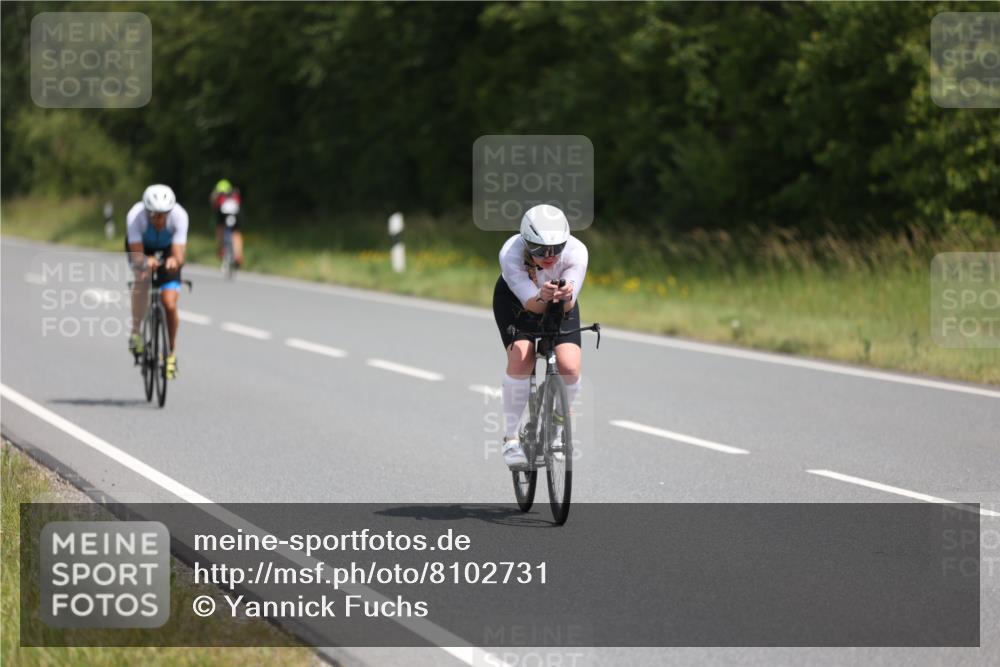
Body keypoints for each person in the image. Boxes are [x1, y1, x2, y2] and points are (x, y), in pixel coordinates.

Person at [493, 204, 588, 468]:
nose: (549, 256)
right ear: (526, 243)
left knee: (569, 366)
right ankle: (511, 438)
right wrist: (542, 295)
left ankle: (558, 426)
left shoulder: (577, 251)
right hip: (517, 302)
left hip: (559, 301)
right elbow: (532, 305)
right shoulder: (510, 253)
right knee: (522, 359)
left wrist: (564, 295)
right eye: (539, 250)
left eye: (556, 249)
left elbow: (568, 306)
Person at [126, 184, 189, 379]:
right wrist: (145, 261)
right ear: (147, 212)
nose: (159, 220)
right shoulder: (135, 217)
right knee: (142, 278)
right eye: (154, 215)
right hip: (142, 249)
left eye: (164, 215)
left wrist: (173, 260)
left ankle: (170, 354)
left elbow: (179, 255)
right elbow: (136, 255)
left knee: (169, 303)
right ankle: (136, 332)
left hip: (168, 248)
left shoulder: (180, 216)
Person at [210, 179, 243, 266]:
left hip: (223, 214)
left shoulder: (219, 193)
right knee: (236, 233)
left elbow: (213, 202)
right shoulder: (234, 193)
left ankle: (221, 249)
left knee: (220, 228)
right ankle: (238, 255)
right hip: (235, 214)